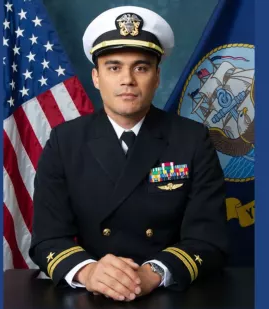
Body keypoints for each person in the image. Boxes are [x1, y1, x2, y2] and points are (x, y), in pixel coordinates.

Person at [29, 5, 229, 302]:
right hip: (91, 293)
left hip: (167, 291)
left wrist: (153, 272)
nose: (127, 80)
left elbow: (208, 237)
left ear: (157, 77)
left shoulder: (192, 139)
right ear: (96, 77)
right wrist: (89, 272)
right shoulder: (64, 141)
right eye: (114, 67)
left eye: (141, 67)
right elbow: (47, 237)